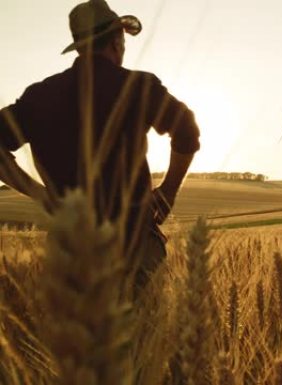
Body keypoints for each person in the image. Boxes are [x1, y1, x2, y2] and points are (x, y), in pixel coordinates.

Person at [0, 0, 200, 293]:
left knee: (79, 338)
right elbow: (186, 131)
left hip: (70, 250)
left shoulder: (38, 97)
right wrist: (167, 193)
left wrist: (41, 195)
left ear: (80, 47)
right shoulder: (136, 86)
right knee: (146, 333)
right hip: (133, 242)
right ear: (117, 42)